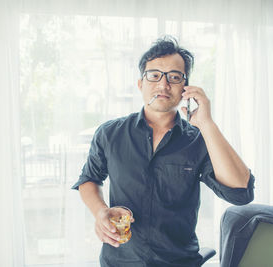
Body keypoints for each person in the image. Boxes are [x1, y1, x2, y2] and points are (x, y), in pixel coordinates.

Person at [72, 36, 255, 267]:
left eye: (174, 77)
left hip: (178, 262)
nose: (163, 84)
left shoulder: (200, 140)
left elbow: (240, 193)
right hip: (119, 261)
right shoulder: (110, 133)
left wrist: (207, 124)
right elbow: (89, 179)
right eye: (154, 75)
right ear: (141, 84)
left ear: (185, 88)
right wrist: (100, 212)